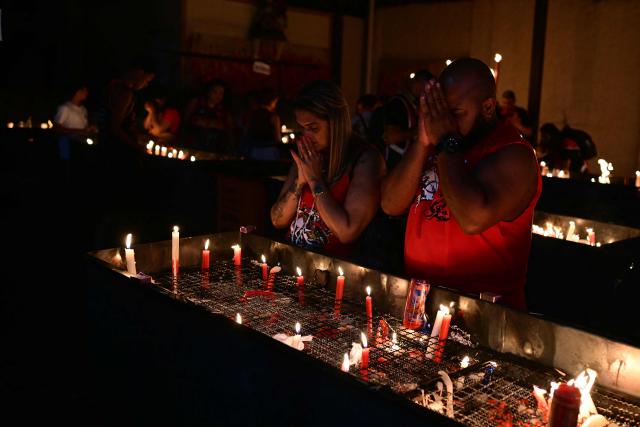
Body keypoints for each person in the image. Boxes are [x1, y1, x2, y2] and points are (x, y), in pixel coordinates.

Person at [381, 58, 541, 310]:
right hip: (421, 302)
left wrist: (446, 141)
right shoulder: (437, 144)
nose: (445, 122)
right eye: (440, 112)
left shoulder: (514, 154)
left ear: (488, 108)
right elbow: (390, 204)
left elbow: (472, 218)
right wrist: (422, 142)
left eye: (455, 113)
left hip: (482, 313)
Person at [270, 81, 385, 259]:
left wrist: (315, 180)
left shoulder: (366, 159)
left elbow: (347, 232)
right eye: (302, 129)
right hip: (293, 262)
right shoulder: (307, 154)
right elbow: (277, 220)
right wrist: (299, 183)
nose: (306, 137)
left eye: (313, 128)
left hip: (333, 273)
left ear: (336, 122)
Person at [381, 70, 435, 171]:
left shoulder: (412, 104)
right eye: (427, 87)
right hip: (394, 166)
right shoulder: (398, 103)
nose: (428, 91)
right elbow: (391, 137)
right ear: (418, 83)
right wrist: (421, 131)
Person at [105, 59, 155, 159]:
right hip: (118, 151)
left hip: (108, 146)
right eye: (147, 80)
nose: (146, 85)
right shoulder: (125, 93)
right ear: (140, 73)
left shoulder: (113, 84)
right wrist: (137, 147)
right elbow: (114, 127)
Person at [184, 79, 234, 152]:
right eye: (215, 92)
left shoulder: (225, 111)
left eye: (221, 93)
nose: (218, 96)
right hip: (193, 145)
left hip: (214, 148)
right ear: (208, 91)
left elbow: (230, 132)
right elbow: (185, 121)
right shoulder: (196, 103)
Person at [54, 83, 97, 161]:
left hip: (82, 148)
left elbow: (83, 128)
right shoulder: (65, 108)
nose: (87, 93)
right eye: (84, 90)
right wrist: (80, 132)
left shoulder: (84, 109)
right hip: (68, 150)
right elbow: (57, 129)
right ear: (77, 92)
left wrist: (90, 129)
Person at [244, 89, 281, 161]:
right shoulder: (274, 117)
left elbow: (246, 132)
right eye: (276, 102)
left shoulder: (252, 115)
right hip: (270, 151)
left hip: (254, 151)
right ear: (272, 101)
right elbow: (278, 138)